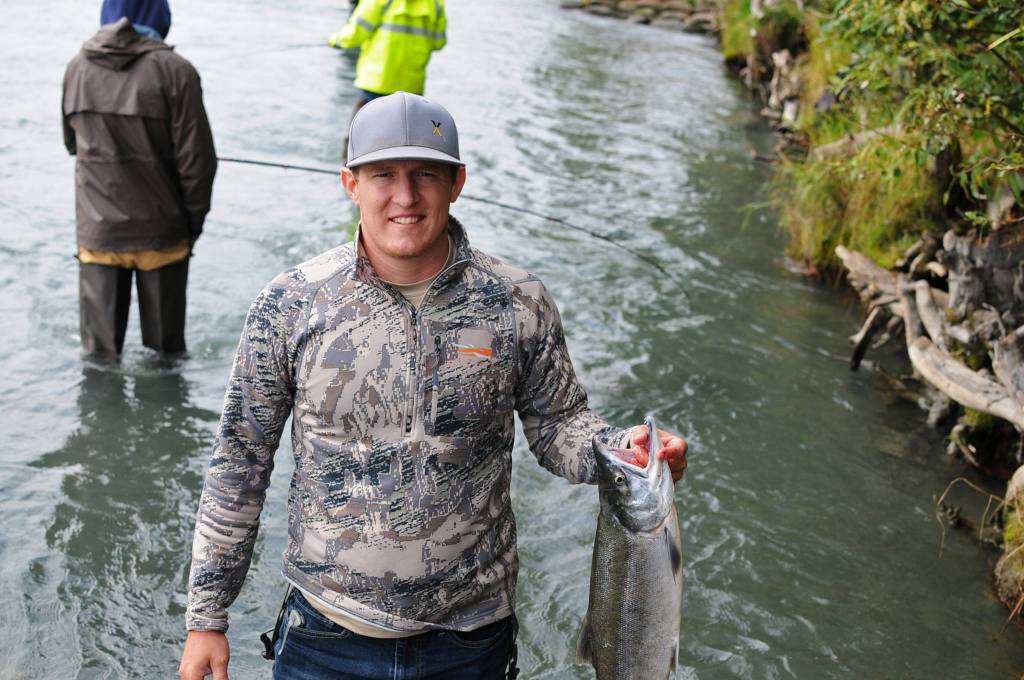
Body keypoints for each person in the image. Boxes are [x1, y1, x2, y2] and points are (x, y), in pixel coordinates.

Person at [178, 92, 688, 680]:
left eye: (426, 174)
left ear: (457, 182)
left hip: (471, 643)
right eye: (383, 175)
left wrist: (622, 450)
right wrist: (207, 617)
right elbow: (239, 461)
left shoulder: (517, 300)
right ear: (351, 183)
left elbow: (560, 426)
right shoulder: (290, 303)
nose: (405, 196)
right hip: (325, 638)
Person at [62, 0, 216, 360]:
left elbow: (72, 143)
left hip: (98, 234)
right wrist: (191, 226)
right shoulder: (177, 71)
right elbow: (199, 164)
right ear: (159, 15)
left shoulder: (76, 68)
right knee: (166, 357)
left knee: (98, 360)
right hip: (163, 234)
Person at [327, 0, 447, 152]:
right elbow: (439, 42)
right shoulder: (435, 4)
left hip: (377, 81)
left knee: (359, 137)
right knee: (402, 140)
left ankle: (352, 173)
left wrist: (334, 40)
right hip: (411, 85)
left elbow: (355, 33)